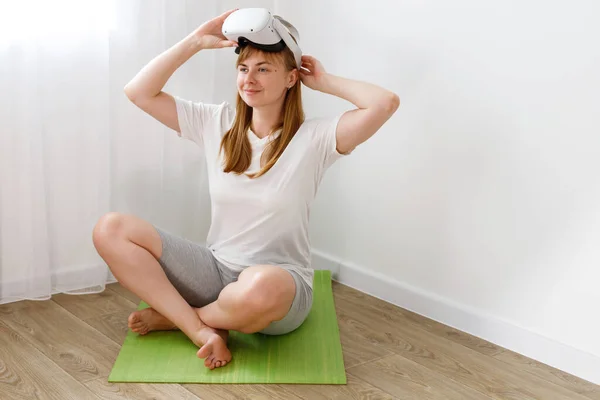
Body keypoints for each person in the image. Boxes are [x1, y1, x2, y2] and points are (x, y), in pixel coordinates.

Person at [92, 8, 399, 370]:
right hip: (215, 270)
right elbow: (138, 92)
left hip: (279, 286)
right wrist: (195, 42)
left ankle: (186, 317)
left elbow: (384, 103)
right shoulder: (215, 122)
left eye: (264, 69)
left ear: (290, 79)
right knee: (110, 229)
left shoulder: (315, 138)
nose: (249, 79)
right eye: (243, 68)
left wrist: (324, 81)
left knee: (260, 285)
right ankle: (201, 328)